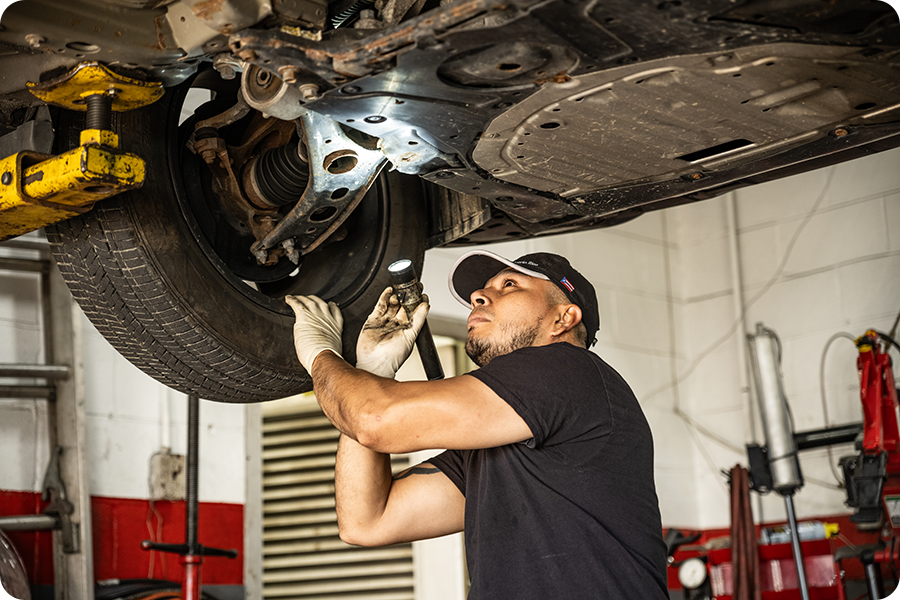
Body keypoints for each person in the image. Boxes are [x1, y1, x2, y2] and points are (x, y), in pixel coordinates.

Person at [286, 250, 668, 600]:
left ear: (563, 318)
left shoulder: (567, 368)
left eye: (509, 285)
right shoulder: (500, 444)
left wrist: (321, 355)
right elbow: (367, 521)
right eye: (482, 290)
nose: (479, 297)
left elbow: (375, 420)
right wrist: (371, 372)